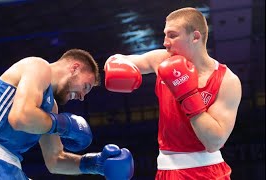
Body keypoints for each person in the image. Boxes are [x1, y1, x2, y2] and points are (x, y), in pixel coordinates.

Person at [104, 7, 242, 180]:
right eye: (165, 35)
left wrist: (187, 93)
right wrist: (113, 62)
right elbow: (119, 60)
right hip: (167, 171)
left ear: (195, 37)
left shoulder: (227, 80)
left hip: (208, 172)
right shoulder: (161, 60)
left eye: (172, 35)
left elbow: (214, 142)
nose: (165, 42)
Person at [0, 49, 134, 180]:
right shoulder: (38, 66)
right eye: (85, 87)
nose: (82, 96)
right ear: (74, 68)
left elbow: (55, 160)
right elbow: (20, 118)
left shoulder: (50, 110)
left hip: (13, 169)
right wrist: (62, 125)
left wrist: (94, 164)